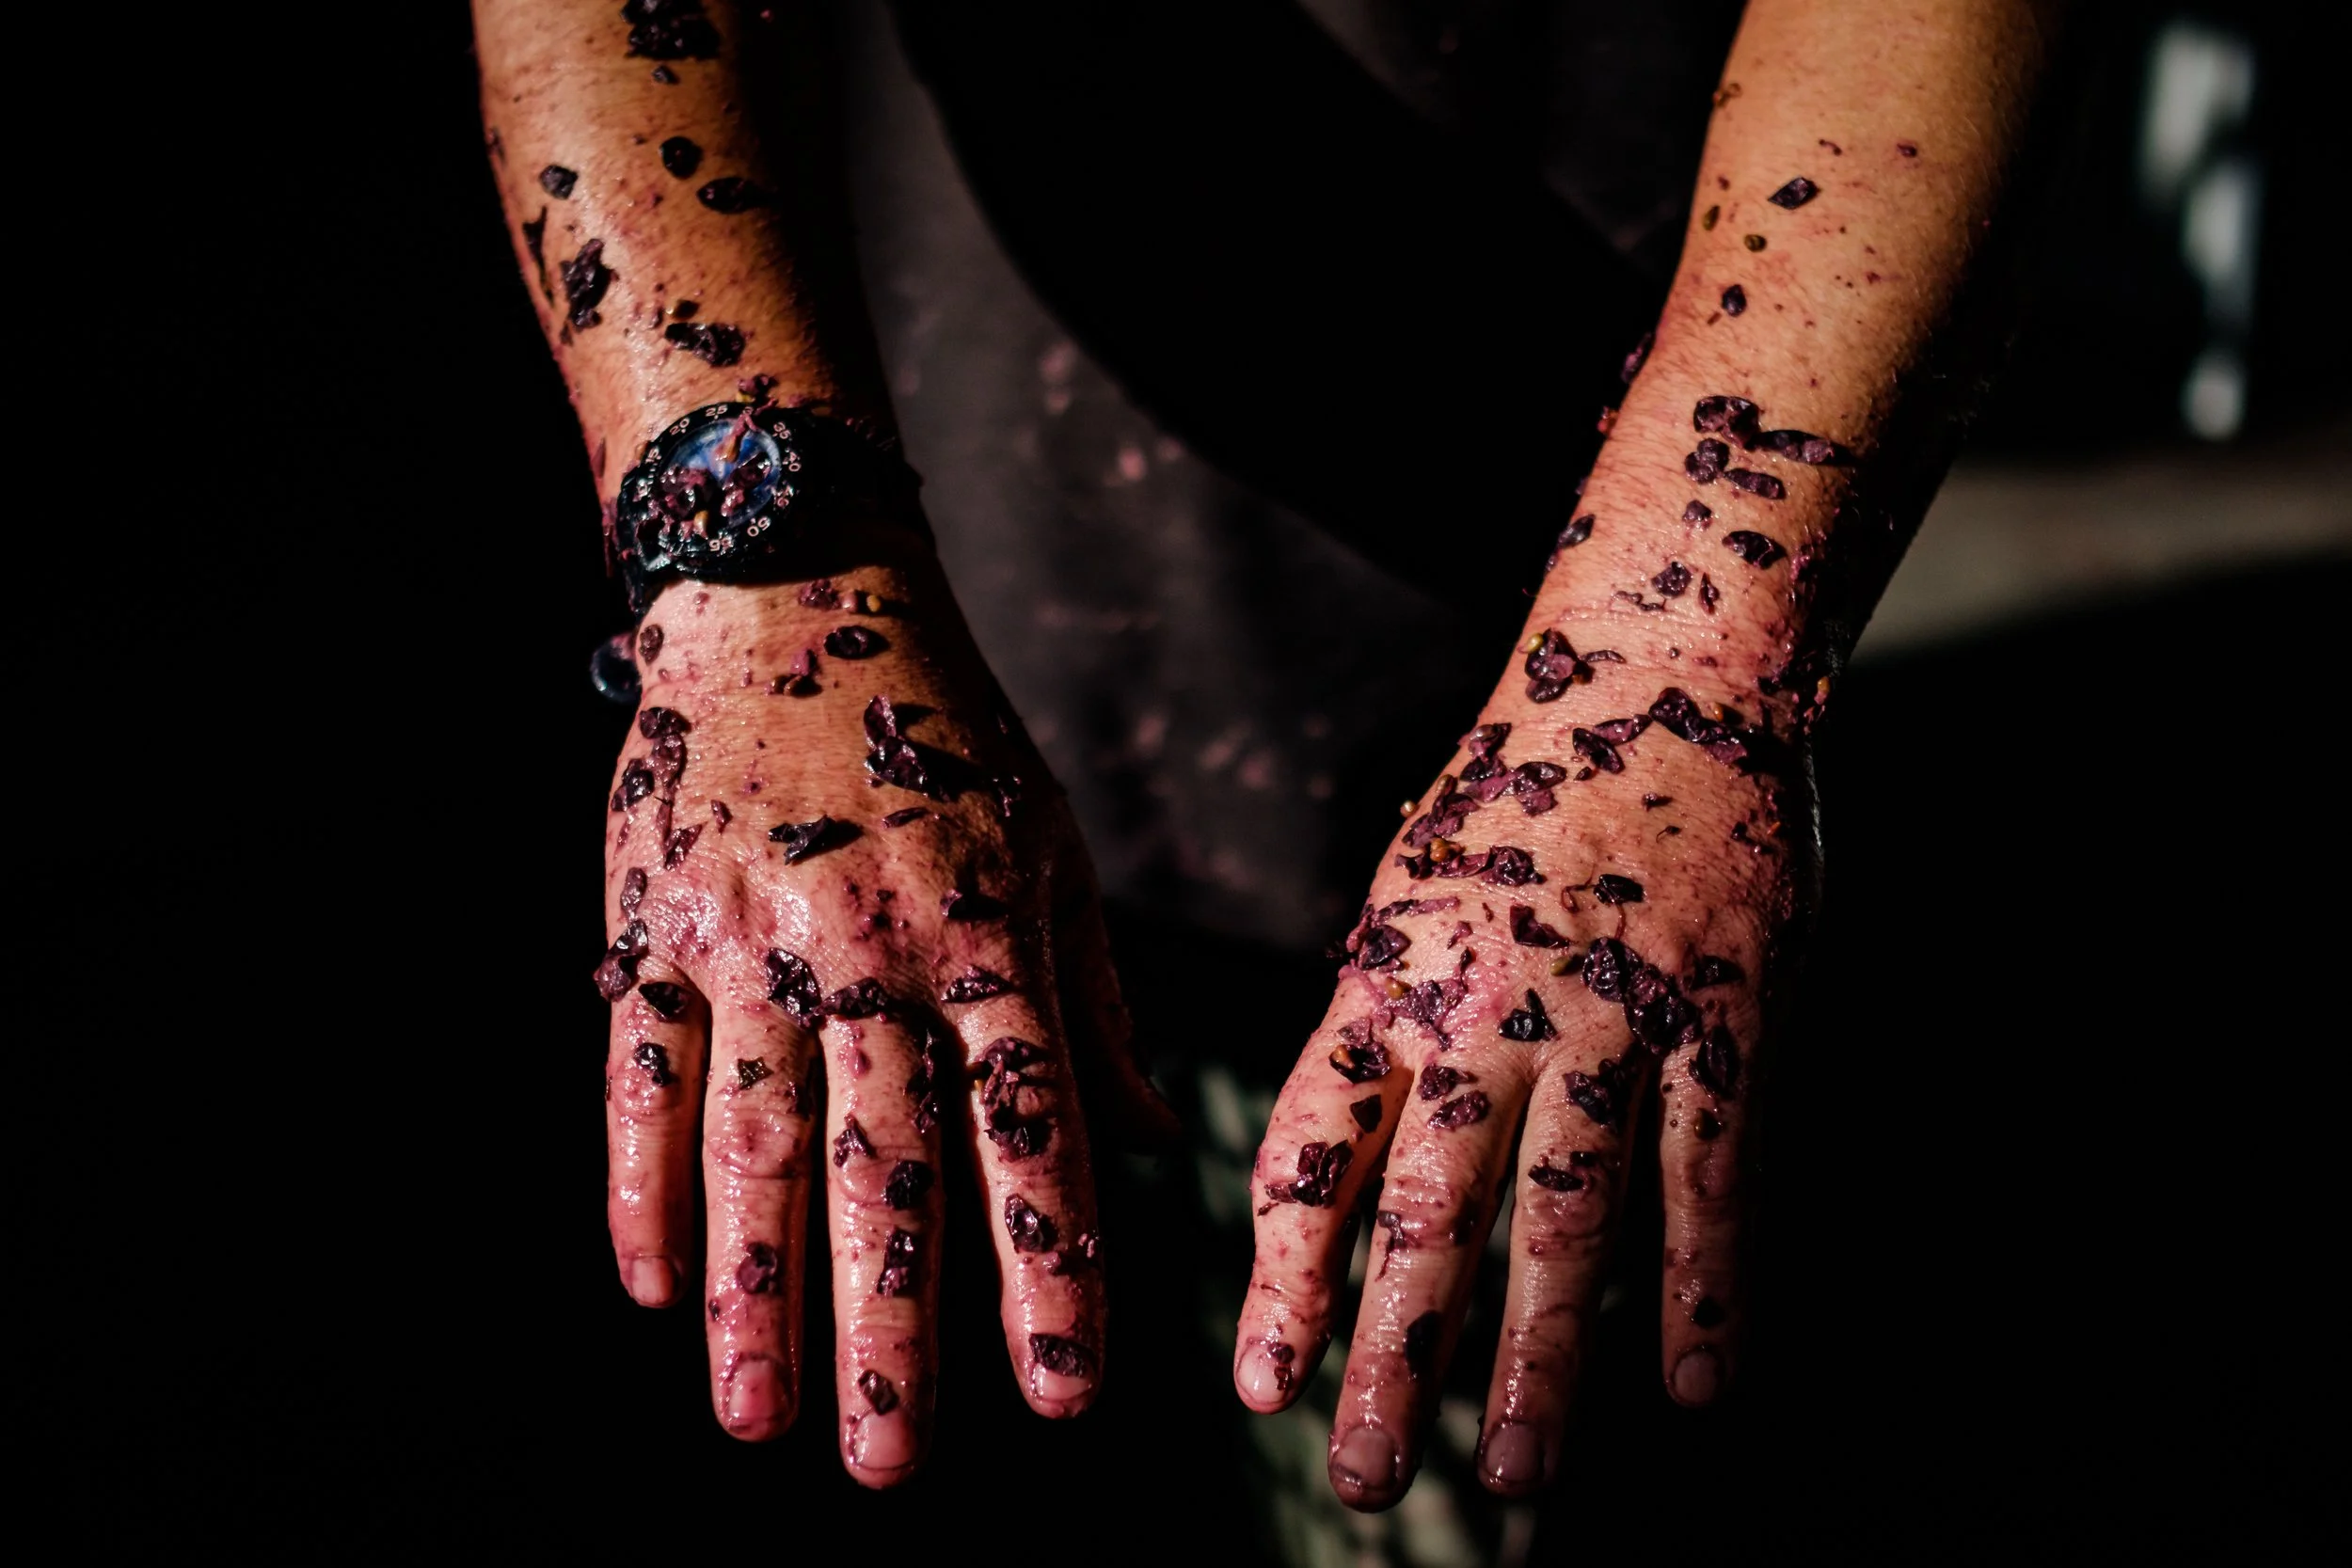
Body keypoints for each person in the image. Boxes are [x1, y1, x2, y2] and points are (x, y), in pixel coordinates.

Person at [474, 0, 2066, 1513]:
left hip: (1587, 773)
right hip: (892, 682)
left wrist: (1682, 646)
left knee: (1455, 1399)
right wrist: (768, 569)